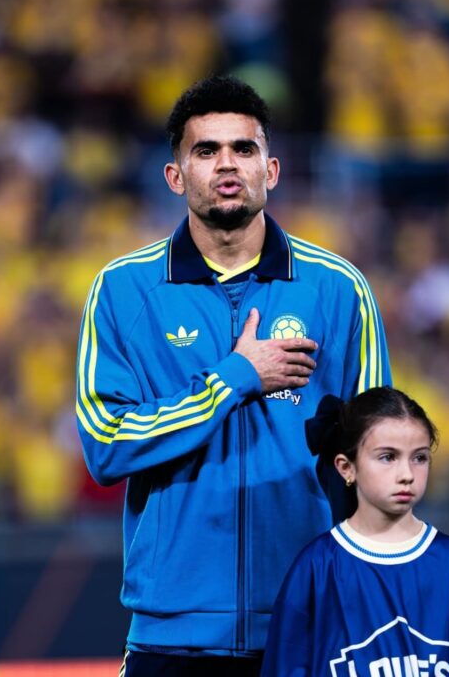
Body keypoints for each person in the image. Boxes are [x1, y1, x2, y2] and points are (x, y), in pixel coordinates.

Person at [75, 75, 390, 675]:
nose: (227, 164)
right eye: (205, 150)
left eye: (244, 149)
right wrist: (234, 379)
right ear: (176, 177)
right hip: (170, 637)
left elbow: (380, 456)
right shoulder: (121, 290)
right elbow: (105, 446)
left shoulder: (340, 289)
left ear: (271, 170)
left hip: (312, 626)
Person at [261, 387, 449, 676]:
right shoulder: (317, 568)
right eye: (388, 457)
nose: (406, 474)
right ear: (346, 467)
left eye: (419, 457)